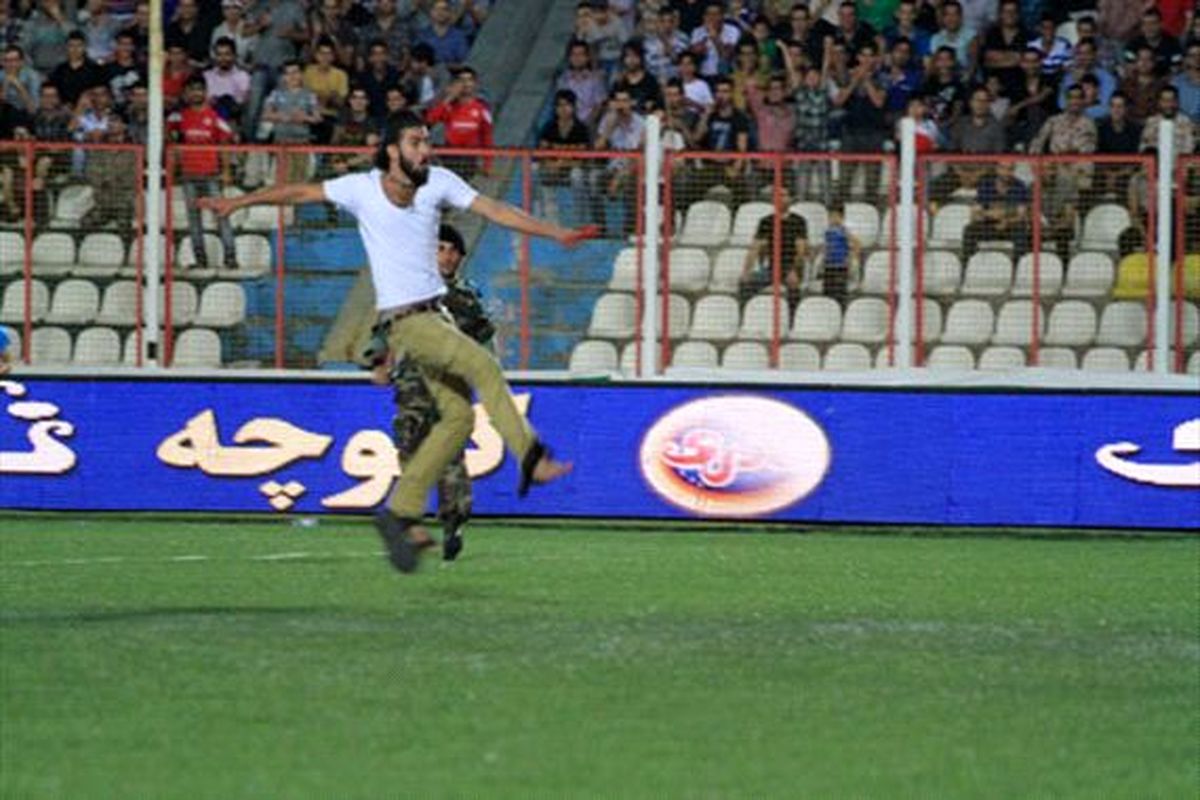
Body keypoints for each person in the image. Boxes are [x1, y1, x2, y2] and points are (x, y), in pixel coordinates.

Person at [196, 110, 593, 573]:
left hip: (435, 316)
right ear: (392, 150)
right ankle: (531, 457)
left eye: (427, 141)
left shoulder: (437, 182)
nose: (426, 150)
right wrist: (240, 203)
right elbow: (298, 191)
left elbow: (495, 210)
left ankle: (399, 512)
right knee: (484, 368)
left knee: (460, 418)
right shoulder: (361, 189)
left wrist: (556, 233)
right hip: (408, 324)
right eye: (416, 142)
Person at [362, 223, 490, 562]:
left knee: (450, 455)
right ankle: (411, 520)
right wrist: (378, 363)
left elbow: (484, 337)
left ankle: (454, 522)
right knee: (409, 445)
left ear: (461, 257)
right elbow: (383, 329)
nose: (447, 256)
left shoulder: (469, 296)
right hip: (413, 383)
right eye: (441, 248)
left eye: (453, 250)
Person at [167, 75, 238, 271]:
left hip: (211, 175)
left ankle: (231, 258)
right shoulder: (178, 117)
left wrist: (225, 172)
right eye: (191, 90)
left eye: (199, 89)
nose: (195, 93)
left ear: (205, 92)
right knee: (193, 219)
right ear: (185, 93)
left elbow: (225, 146)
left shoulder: (216, 118)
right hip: (189, 175)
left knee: (221, 216)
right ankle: (200, 260)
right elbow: (171, 143)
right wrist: (173, 172)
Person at [737, 195, 809, 315]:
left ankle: (793, 318)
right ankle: (745, 315)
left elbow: (801, 251)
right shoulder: (766, 221)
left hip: (790, 266)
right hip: (772, 268)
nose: (781, 199)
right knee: (746, 283)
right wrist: (746, 271)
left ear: (790, 199)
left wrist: (794, 270)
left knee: (793, 283)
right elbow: (754, 248)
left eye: (784, 196)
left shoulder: (798, 221)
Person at [822, 200, 861, 305]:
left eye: (836, 216)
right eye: (830, 216)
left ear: (842, 217)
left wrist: (851, 257)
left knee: (839, 292)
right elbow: (827, 245)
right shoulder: (827, 231)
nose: (833, 219)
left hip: (840, 266)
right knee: (827, 291)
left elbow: (857, 243)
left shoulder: (843, 230)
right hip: (829, 265)